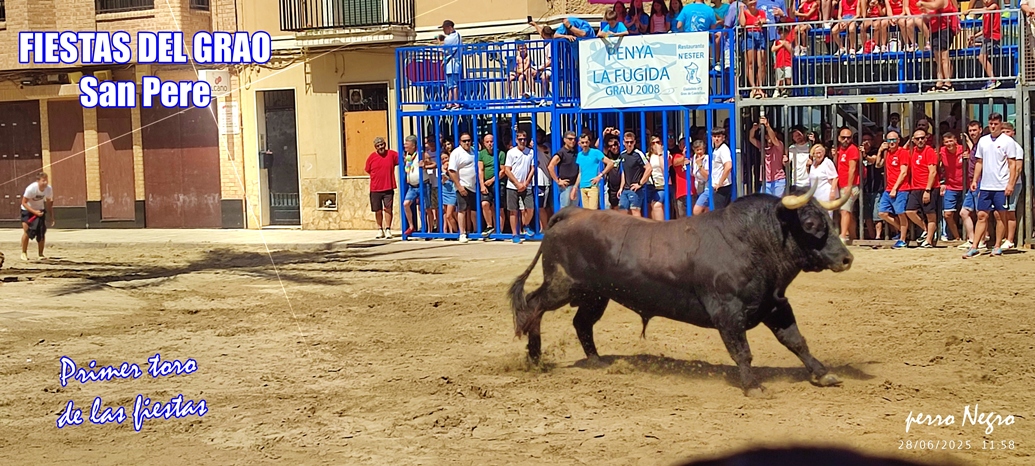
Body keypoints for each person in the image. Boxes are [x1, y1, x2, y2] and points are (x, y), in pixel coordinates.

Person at [964, 113, 1019, 258]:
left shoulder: (1007, 141)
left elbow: (1012, 164)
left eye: (996, 124)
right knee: (981, 215)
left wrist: (1010, 184)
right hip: (986, 185)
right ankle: (975, 246)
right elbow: (979, 162)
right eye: (991, 123)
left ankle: (997, 245)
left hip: (1001, 185)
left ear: (1000, 124)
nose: (993, 126)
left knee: (1000, 216)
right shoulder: (983, 141)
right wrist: (975, 180)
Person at [904, 129, 940, 248]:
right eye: (917, 138)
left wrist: (927, 190)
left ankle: (929, 240)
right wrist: (908, 143)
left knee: (930, 215)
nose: (920, 140)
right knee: (910, 211)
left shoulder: (929, 151)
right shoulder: (912, 151)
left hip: (929, 188)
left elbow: (933, 172)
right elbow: (902, 152)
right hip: (915, 187)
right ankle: (926, 230)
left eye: (922, 138)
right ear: (913, 140)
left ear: (926, 138)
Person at [876, 131, 911, 248]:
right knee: (882, 213)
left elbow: (903, 172)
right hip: (889, 188)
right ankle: (903, 231)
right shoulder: (887, 153)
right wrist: (880, 151)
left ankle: (903, 239)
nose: (891, 142)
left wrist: (895, 188)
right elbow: (878, 165)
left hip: (901, 188)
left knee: (901, 213)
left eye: (894, 139)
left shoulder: (903, 152)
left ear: (898, 140)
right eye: (889, 140)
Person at [918, 0, 960, 92]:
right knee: (938, 59)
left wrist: (923, 3)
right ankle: (939, 82)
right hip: (934, 30)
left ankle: (948, 82)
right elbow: (929, 16)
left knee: (944, 57)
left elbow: (935, 5)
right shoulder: (931, 4)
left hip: (944, 29)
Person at [504, 130, 536, 244]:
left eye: (524, 139)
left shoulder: (530, 152)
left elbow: (532, 168)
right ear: (516, 140)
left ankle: (526, 225)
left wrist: (526, 183)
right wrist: (517, 183)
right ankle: (514, 234)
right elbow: (507, 170)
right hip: (512, 186)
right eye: (520, 139)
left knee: (530, 208)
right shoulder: (511, 152)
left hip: (526, 185)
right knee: (513, 211)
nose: (522, 141)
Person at [365, 137, 398, 239]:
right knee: (377, 210)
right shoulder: (371, 157)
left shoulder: (392, 154)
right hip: (375, 189)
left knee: (388, 209)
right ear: (375, 147)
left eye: (382, 144)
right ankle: (380, 229)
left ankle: (388, 229)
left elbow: (403, 159)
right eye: (378, 145)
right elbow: (367, 169)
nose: (381, 147)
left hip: (388, 187)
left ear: (385, 144)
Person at [694, 129, 734, 214]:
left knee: (719, 214)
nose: (716, 139)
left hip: (721, 187)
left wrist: (720, 183)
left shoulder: (723, 149)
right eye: (714, 136)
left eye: (719, 136)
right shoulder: (716, 149)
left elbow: (728, 166)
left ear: (723, 137)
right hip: (717, 187)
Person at [448, 133, 479, 243]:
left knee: (474, 210)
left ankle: (475, 231)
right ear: (460, 142)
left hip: (474, 186)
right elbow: (451, 171)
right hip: (463, 185)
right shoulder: (456, 153)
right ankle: (462, 233)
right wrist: (459, 186)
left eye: (468, 140)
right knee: (462, 210)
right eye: (464, 141)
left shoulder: (473, 151)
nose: (467, 143)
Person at [20, 172, 54, 261]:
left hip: (40, 210)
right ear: (38, 181)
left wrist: (51, 216)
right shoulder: (31, 189)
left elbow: (49, 203)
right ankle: (23, 252)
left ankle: (40, 254)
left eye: (46, 180)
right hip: (27, 210)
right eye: (43, 181)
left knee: (41, 232)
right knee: (27, 231)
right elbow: (24, 202)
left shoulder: (48, 189)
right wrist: (34, 212)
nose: (45, 183)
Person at [574, 133, 614, 210]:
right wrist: (575, 187)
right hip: (582, 187)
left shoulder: (595, 152)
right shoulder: (579, 155)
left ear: (589, 142)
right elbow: (580, 172)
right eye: (582, 142)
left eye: (586, 142)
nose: (585, 144)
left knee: (592, 212)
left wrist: (600, 175)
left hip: (593, 186)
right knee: (586, 212)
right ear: (579, 144)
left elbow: (610, 163)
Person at [618, 132, 653, 216]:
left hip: (636, 189)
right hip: (625, 189)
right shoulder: (623, 154)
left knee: (635, 210)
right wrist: (621, 188)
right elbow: (624, 172)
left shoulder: (638, 154)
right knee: (622, 211)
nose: (629, 144)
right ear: (623, 142)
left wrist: (640, 184)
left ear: (634, 142)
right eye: (627, 142)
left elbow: (649, 168)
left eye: (631, 142)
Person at [939, 131, 966, 243]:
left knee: (969, 213)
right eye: (946, 142)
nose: (949, 144)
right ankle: (957, 237)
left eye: (951, 141)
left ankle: (970, 237)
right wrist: (942, 182)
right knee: (948, 214)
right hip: (951, 186)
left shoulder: (963, 149)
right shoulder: (942, 151)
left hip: (966, 186)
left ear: (955, 140)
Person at [750, 115, 787, 196]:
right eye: (767, 135)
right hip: (766, 181)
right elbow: (751, 138)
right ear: (765, 136)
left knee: (777, 202)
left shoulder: (779, 145)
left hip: (778, 180)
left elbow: (774, 139)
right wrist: (754, 129)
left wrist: (767, 126)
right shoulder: (763, 146)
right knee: (765, 202)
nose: (770, 137)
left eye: (772, 134)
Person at [835, 127, 861, 242]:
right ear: (838, 138)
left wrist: (849, 186)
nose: (846, 140)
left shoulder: (852, 149)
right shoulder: (839, 149)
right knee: (847, 211)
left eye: (848, 138)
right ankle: (853, 236)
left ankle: (843, 235)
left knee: (844, 210)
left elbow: (852, 169)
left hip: (850, 185)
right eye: (843, 137)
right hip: (841, 184)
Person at [548, 131, 580, 209]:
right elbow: (550, 166)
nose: (573, 141)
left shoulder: (576, 152)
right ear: (565, 140)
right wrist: (558, 181)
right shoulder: (561, 152)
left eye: (574, 139)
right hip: (566, 186)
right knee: (565, 210)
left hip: (575, 185)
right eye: (570, 139)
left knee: (575, 210)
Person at [807, 145, 839, 219]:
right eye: (816, 153)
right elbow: (812, 176)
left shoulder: (827, 162)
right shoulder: (813, 163)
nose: (818, 155)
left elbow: (835, 177)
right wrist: (807, 167)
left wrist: (833, 192)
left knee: (826, 217)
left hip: (826, 195)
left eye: (820, 152)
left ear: (824, 153)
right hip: (816, 195)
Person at [438, 20, 463, 110]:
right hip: (454, 64)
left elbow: (445, 49)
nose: (444, 31)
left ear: (449, 28)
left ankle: (454, 103)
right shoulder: (458, 36)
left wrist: (440, 42)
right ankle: (450, 103)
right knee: (451, 85)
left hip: (451, 64)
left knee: (453, 85)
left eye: (444, 28)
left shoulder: (450, 38)